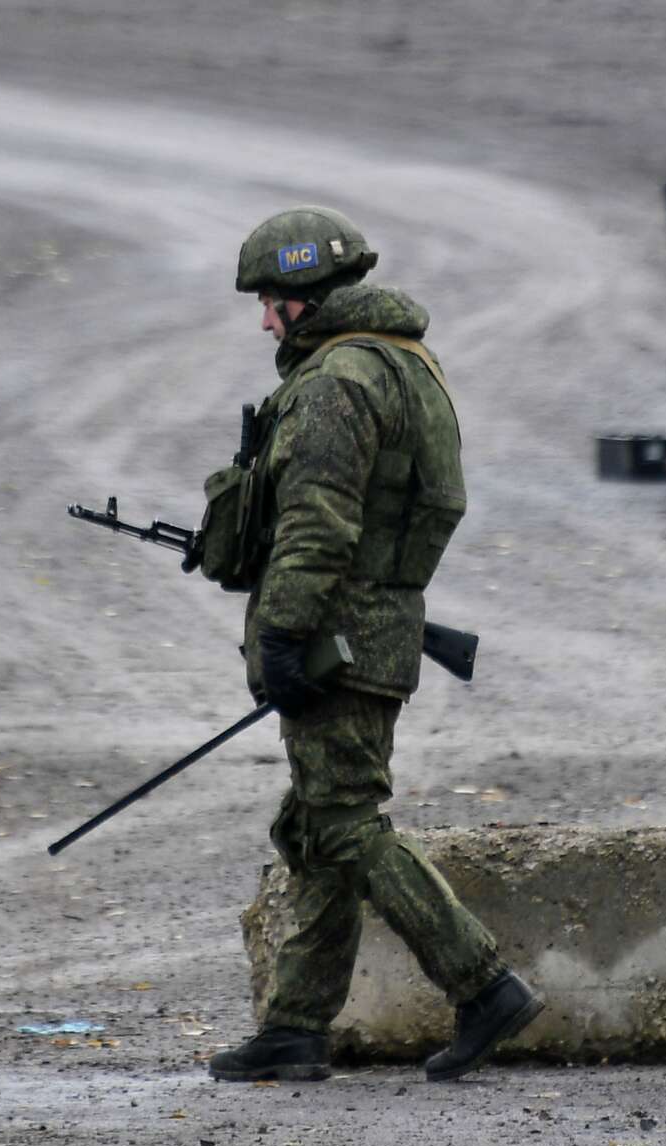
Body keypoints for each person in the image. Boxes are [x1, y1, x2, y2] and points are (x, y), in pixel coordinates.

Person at [207, 206, 543, 1084]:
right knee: (319, 821)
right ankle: (295, 1025)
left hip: (335, 636)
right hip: (376, 627)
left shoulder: (335, 382)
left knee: (347, 823)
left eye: (272, 300)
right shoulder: (407, 364)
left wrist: (281, 631)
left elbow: (318, 525)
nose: (263, 320)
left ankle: (482, 984)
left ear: (306, 298)